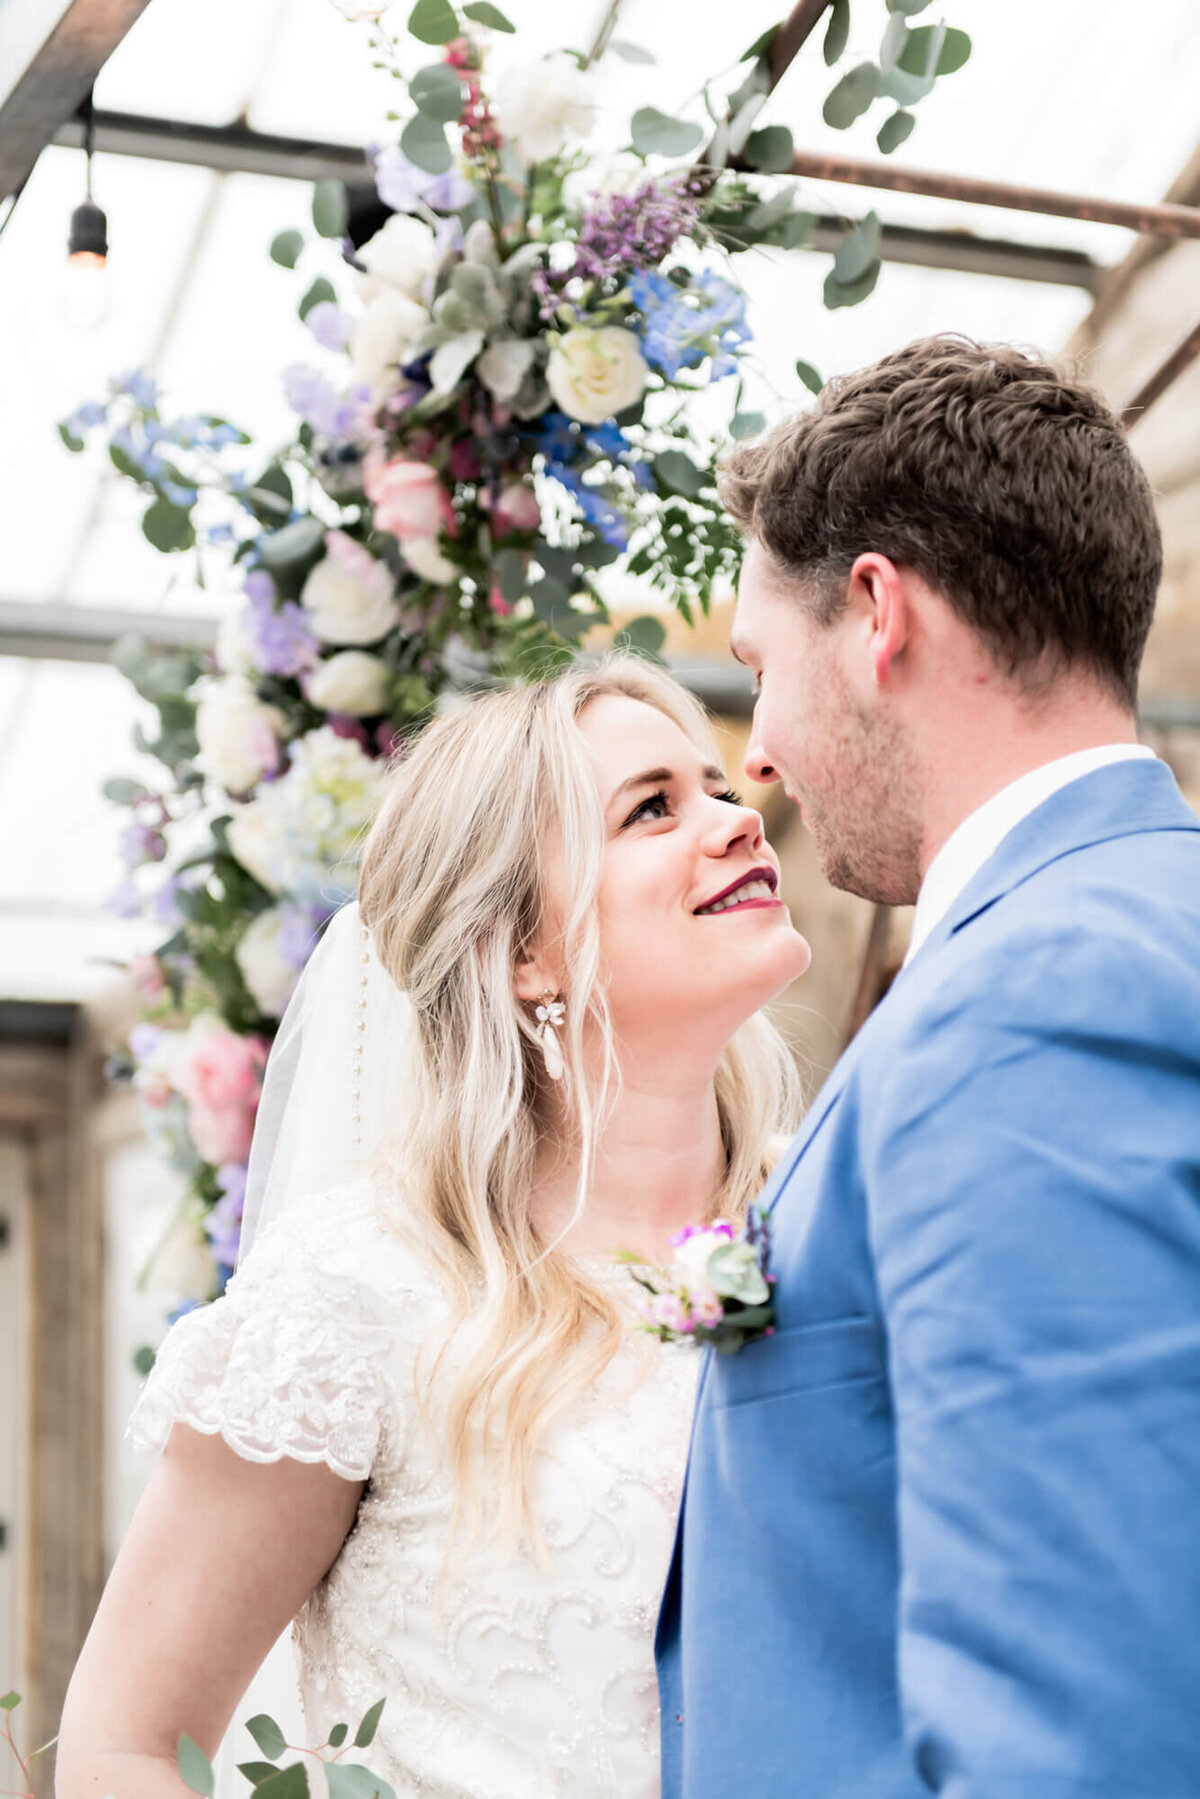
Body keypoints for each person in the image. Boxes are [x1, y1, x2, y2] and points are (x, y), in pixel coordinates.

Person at [56, 654, 811, 1797]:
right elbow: (126, 1748)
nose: (735, 821)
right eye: (653, 807)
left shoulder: (837, 1225)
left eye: (716, 787)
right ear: (524, 952)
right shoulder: (363, 1291)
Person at [657, 335, 1200, 1796]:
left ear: (878, 614)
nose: (757, 753)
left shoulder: (1035, 994)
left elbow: (1085, 1719)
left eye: (761, 669)